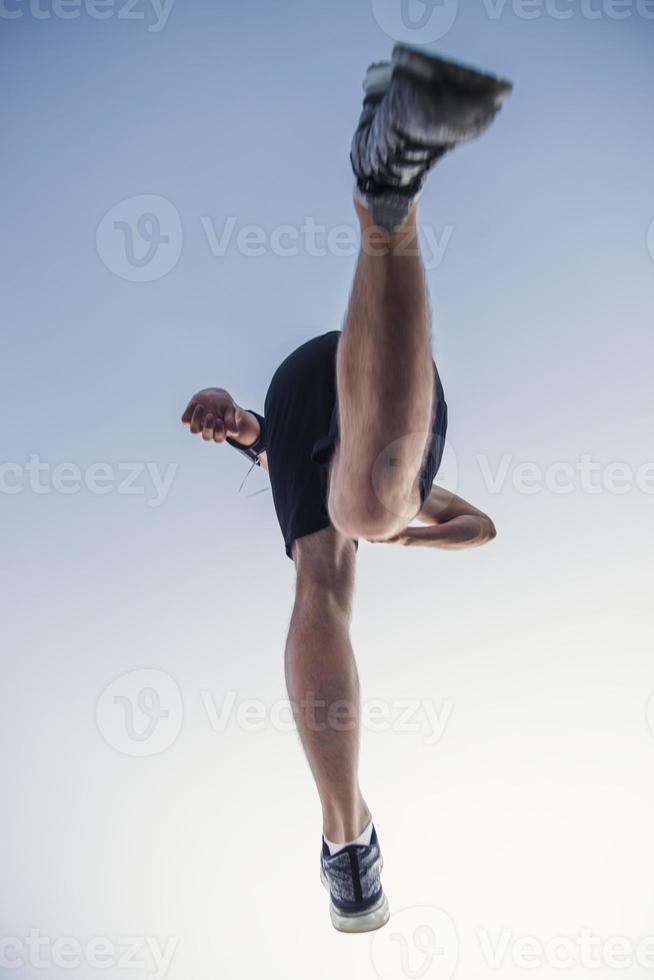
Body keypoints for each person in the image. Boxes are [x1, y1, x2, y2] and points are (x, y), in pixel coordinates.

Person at [181, 43, 511, 933]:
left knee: (346, 524)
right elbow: (476, 525)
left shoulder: (374, 494)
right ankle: (343, 836)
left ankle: (387, 191)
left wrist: (240, 426)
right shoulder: (393, 492)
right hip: (354, 399)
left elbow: (472, 524)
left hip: (321, 393)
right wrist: (406, 527)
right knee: (349, 525)